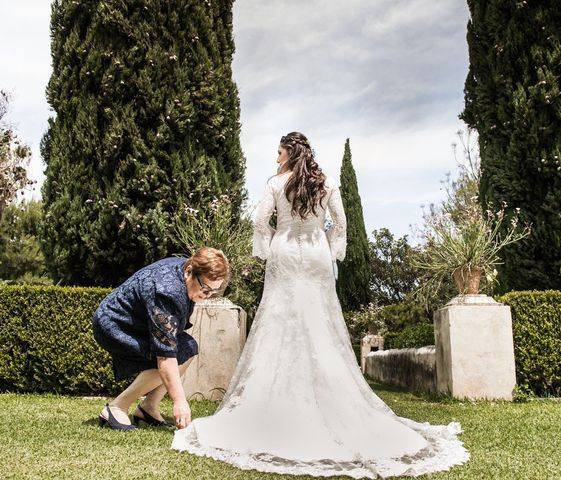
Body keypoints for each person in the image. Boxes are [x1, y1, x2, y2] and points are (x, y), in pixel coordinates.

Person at [172, 132, 469, 477]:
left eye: (278, 152)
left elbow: (258, 221)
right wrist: (328, 249)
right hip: (315, 255)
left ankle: (275, 406)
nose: (276, 157)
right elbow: (341, 223)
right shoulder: (325, 182)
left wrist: (269, 251)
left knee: (278, 323)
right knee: (319, 323)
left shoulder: (275, 183)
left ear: (288, 152)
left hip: (284, 252)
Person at [93, 247, 230, 430]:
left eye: (212, 291)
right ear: (189, 271)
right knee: (175, 354)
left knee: (188, 347)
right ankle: (117, 407)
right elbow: (165, 356)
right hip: (114, 325)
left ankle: (148, 407)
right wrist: (179, 402)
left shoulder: (186, 269)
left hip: (136, 323)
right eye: (204, 288)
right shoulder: (166, 292)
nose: (206, 296)